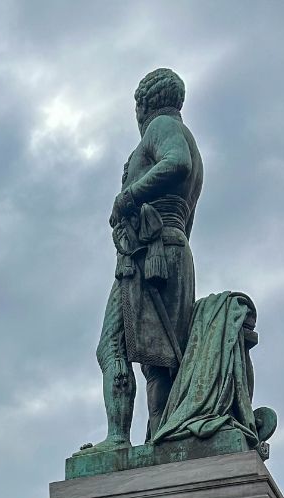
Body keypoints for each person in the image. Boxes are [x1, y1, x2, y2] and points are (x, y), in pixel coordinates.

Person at [92, 67, 203, 447]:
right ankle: (160, 439)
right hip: (172, 250)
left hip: (148, 258)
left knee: (112, 346)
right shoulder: (185, 135)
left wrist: (128, 196)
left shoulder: (162, 128)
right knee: (159, 362)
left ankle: (117, 438)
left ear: (143, 106)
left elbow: (177, 162)